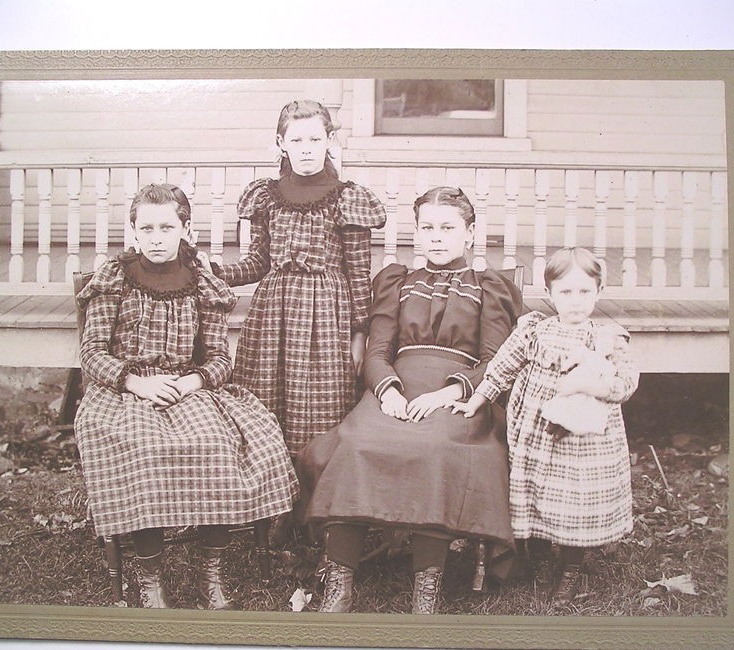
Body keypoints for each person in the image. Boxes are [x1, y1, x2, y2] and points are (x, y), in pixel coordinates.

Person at [296, 187, 523, 614]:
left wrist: (450, 392)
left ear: (470, 233)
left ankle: (426, 590)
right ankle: (340, 585)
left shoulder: (488, 287)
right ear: (417, 232)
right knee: (358, 443)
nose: (436, 237)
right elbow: (378, 352)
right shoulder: (398, 282)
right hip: (397, 387)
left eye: (448, 228)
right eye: (427, 228)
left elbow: (496, 360)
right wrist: (388, 390)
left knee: (436, 449)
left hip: (461, 397)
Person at [74, 184, 298, 610]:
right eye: (147, 228)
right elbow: (92, 353)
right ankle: (150, 576)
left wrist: (193, 382)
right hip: (125, 390)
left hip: (186, 386)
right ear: (135, 231)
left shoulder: (202, 283)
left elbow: (218, 357)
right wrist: (135, 383)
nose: (156, 238)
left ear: (185, 228)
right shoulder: (114, 278)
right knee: (144, 450)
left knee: (218, 444)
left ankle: (210, 572)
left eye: (166, 227)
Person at [452, 246, 639, 607]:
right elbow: (502, 367)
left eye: (585, 291)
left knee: (574, 497)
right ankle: (535, 554)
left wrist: (591, 385)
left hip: (583, 437)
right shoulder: (535, 329)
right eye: (565, 292)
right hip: (535, 432)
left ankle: (570, 568)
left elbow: (627, 383)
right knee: (538, 489)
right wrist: (475, 400)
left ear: (598, 292)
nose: (575, 301)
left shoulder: (606, 338)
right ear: (550, 294)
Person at [210, 99, 386, 457]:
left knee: (320, 402)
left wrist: (359, 335)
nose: (306, 150)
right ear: (281, 143)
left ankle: (317, 492)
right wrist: (216, 272)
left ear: (329, 142)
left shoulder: (347, 199)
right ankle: (269, 486)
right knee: (266, 399)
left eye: (315, 140)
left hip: (326, 319)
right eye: (297, 141)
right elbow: (259, 262)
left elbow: (358, 274)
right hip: (273, 315)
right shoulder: (268, 196)